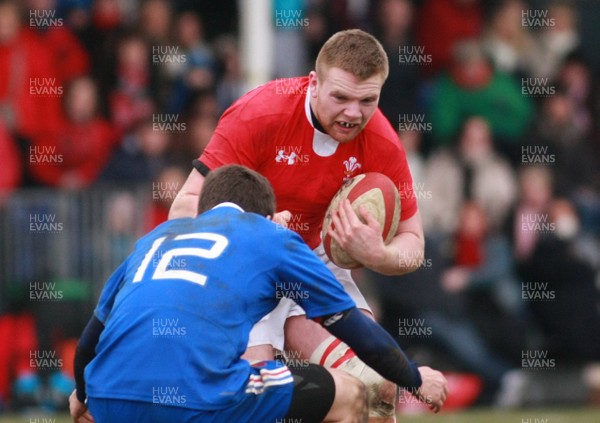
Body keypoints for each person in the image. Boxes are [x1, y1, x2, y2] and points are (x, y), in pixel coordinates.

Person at [169, 29, 426, 420]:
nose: (353, 113)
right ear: (313, 82)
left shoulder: (382, 142)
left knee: (378, 387)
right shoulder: (262, 113)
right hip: (248, 265)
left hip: (313, 261)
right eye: (340, 97)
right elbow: (184, 207)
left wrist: (380, 254)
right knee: (255, 399)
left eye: (367, 100)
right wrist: (252, 232)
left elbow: (414, 246)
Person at [69, 164, 448, 423]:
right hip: (199, 398)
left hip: (109, 397)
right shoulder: (270, 236)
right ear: (267, 217)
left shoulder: (151, 240)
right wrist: (413, 378)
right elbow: (354, 329)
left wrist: (84, 395)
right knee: (350, 392)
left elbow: (88, 343)